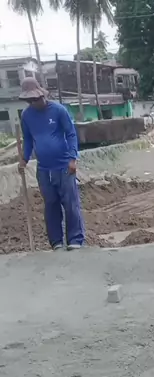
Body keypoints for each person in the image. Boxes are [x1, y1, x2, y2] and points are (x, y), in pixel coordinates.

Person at [18, 77, 85, 251]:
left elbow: (71, 134)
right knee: (51, 205)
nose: (34, 103)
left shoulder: (58, 110)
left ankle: (75, 239)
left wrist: (72, 158)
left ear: (42, 95)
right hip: (44, 169)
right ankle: (56, 242)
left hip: (64, 166)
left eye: (36, 99)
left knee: (70, 204)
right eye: (30, 101)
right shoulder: (26, 116)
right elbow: (27, 139)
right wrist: (24, 159)